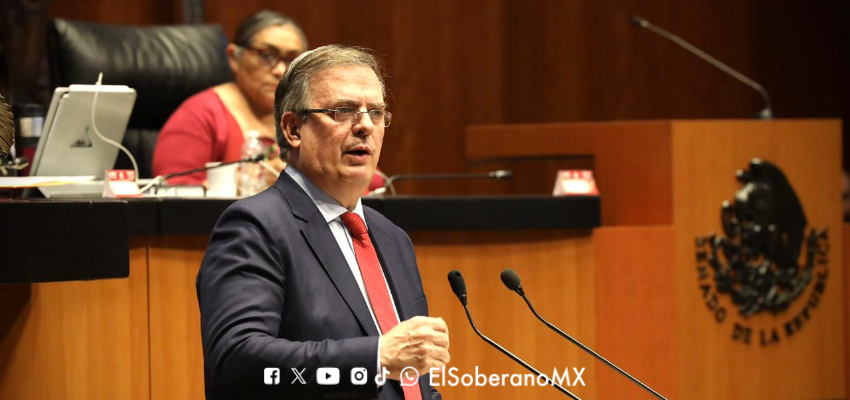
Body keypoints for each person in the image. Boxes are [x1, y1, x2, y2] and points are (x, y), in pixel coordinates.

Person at [196, 45, 449, 400]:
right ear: (293, 129)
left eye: (376, 113)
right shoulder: (255, 227)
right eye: (342, 111)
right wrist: (374, 358)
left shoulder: (392, 239)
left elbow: (411, 383)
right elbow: (236, 364)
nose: (365, 126)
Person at [151, 11, 386, 191]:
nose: (280, 70)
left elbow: (375, 182)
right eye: (267, 56)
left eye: (292, 59)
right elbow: (174, 191)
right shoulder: (200, 113)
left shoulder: (313, 114)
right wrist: (256, 180)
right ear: (233, 57)